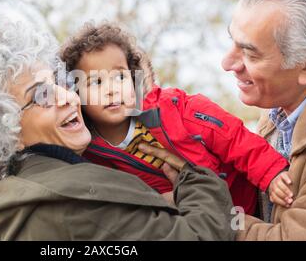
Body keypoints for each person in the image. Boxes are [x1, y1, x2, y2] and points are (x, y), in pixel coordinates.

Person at [0, 17, 236, 240]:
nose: (68, 97)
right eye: (41, 95)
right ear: (6, 134)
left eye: (59, 84)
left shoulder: (29, 199)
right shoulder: (67, 203)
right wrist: (194, 179)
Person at [60, 22, 289, 214]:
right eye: (96, 82)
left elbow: (234, 138)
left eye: (120, 76)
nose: (111, 90)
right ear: (76, 92)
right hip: (191, 222)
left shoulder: (175, 110)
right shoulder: (88, 149)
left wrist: (271, 173)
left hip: (245, 205)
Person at [222, 0, 306, 240]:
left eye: (250, 53)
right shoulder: (274, 121)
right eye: (232, 42)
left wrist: (203, 213)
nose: (227, 63)